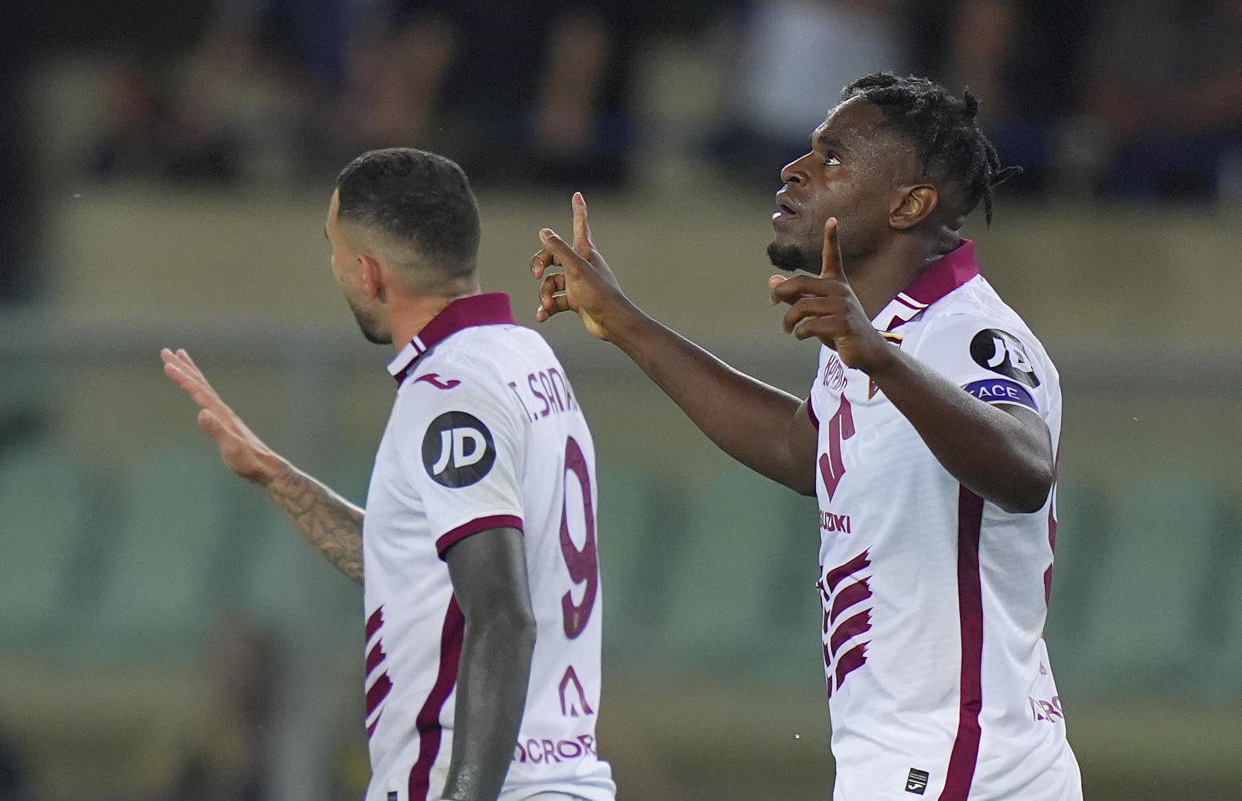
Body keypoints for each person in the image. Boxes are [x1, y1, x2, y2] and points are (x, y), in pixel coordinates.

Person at [530, 73, 1082, 799]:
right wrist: (624, 321)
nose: (796, 170)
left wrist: (880, 356)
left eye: (833, 158)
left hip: (963, 759)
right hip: (905, 754)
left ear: (909, 203)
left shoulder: (967, 333)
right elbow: (802, 449)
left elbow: (1025, 468)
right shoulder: (871, 323)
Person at [162, 148, 615, 801]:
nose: (334, 268)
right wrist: (274, 476)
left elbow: (502, 617)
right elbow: (428, 570)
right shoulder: (524, 356)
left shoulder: (450, 389)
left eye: (334, 249)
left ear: (369, 273)